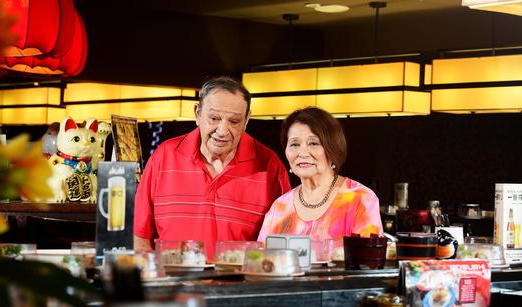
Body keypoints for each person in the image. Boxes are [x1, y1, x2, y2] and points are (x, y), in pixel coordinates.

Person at [134, 76, 291, 258]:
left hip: (240, 285)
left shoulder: (270, 166)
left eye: (234, 121)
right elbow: (140, 237)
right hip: (173, 283)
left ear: (247, 119)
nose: (222, 131)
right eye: (214, 118)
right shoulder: (164, 157)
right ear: (197, 113)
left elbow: (280, 244)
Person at [257, 107, 383, 243]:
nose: (303, 152)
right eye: (295, 144)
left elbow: (368, 261)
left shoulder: (361, 199)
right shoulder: (280, 207)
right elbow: (261, 260)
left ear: (332, 148)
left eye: (313, 143)